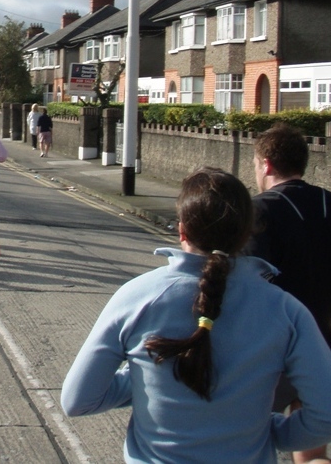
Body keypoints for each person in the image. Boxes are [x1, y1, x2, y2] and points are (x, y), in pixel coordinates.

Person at [61, 167, 331, 464]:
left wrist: (145, 378)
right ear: (248, 232)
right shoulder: (286, 311)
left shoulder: (137, 297)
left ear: (181, 231)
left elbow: (78, 400)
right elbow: (325, 414)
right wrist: (270, 434)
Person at [248, 123, 331, 464]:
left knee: (245, 442)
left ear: (265, 164)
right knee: (313, 453)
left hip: (274, 350)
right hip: (324, 349)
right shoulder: (328, 201)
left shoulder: (259, 210)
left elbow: (248, 285)